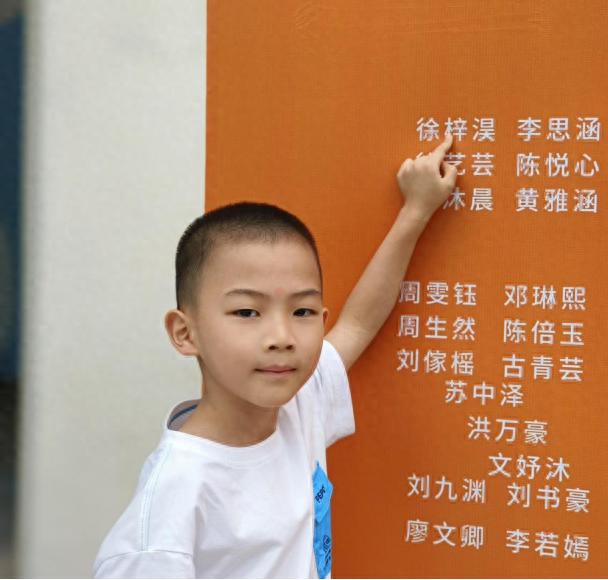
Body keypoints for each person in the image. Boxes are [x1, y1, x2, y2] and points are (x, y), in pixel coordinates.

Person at [92, 134, 458, 578]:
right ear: (185, 333)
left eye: (302, 311)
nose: (282, 337)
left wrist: (416, 210)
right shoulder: (171, 505)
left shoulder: (299, 403)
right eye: (247, 312)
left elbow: (358, 323)